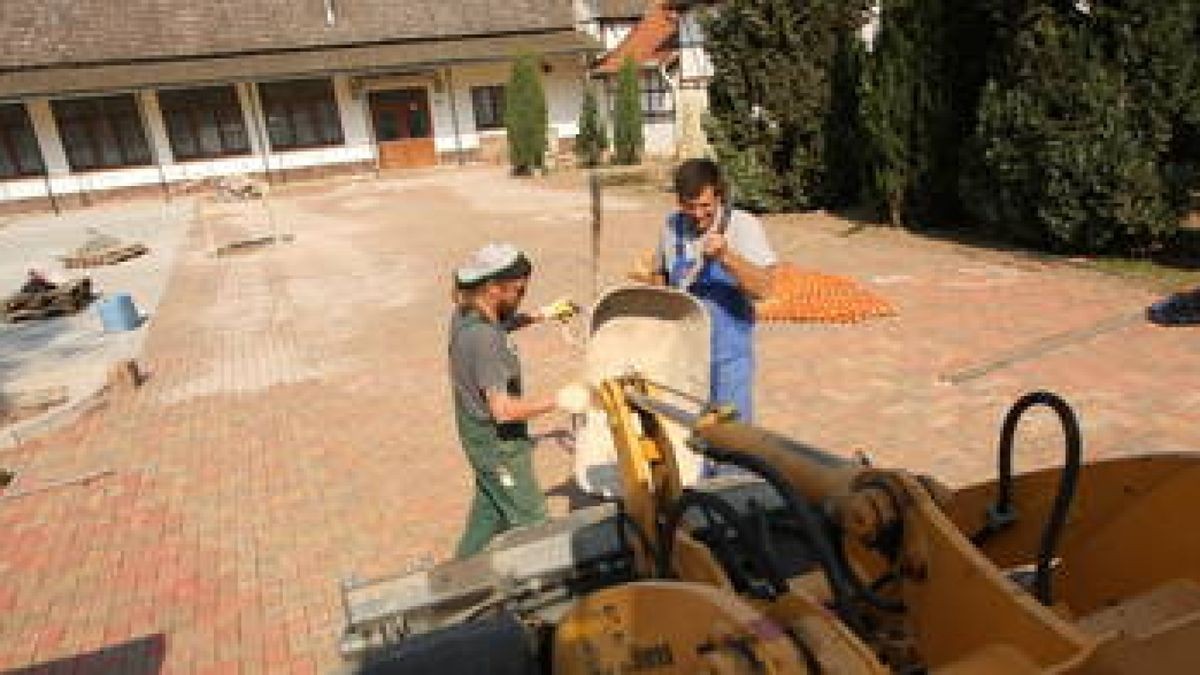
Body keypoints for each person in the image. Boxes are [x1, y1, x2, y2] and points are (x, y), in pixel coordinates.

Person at [448, 243, 586, 558]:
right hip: (499, 446)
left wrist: (542, 314)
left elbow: (501, 323)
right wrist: (560, 399)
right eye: (519, 291)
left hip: (478, 440)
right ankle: (555, 586)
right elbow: (504, 411)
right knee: (533, 521)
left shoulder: (468, 313)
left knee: (489, 513)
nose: (521, 297)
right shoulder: (484, 340)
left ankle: (459, 575)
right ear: (494, 288)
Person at [653, 159, 777, 469]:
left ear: (719, 196)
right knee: (692, 441)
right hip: (687, 360)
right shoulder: (671, 226)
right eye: (689, 206)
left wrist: (726, 257)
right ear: (679, 201)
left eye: (705, 205)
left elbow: (764, 287)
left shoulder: (743, 226)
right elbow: (661, 275)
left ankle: (731, 502)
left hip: (729, 357)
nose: (697, 214)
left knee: (733, 443)